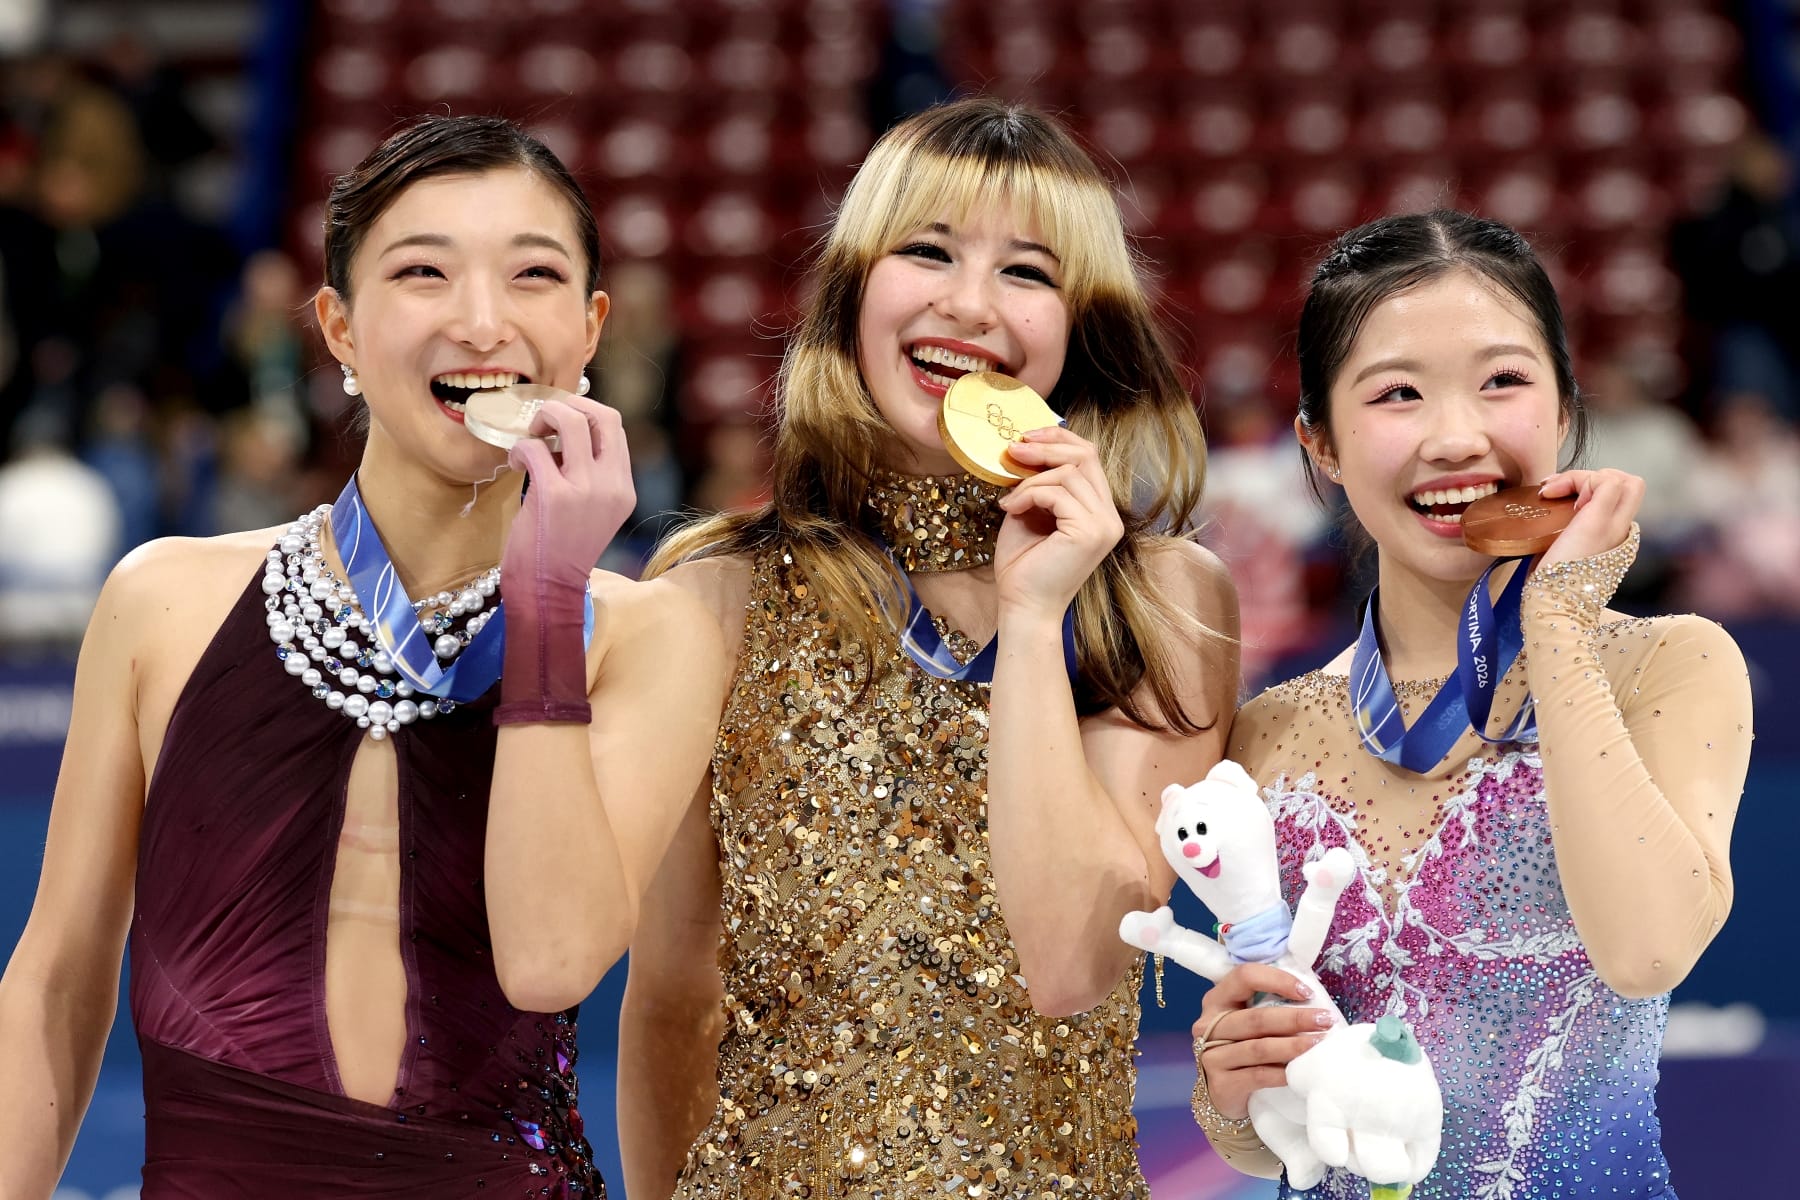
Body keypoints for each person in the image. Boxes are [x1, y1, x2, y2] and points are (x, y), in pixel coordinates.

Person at [0, 114, 725, 1198]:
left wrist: (545, 596)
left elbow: (551, 959)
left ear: (588, 331)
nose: (482, 321)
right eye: (424, 272)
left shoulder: (647, 634)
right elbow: (56, 979)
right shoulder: (163, 600)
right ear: (338, 327)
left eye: (532, 275)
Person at [618, 97, 1241, 1198]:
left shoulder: (1164, 604)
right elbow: (672, 996)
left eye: (1029, 272)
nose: (969, 305)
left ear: (1082, 323)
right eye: (928, 251)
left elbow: (1074, 962)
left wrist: (1039, 614)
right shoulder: (712, 596)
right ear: (855, 288)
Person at [1190, 211, 1752, 1198]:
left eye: (1502, 381)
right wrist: (1230, 1092)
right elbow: (1269, 1135)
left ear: (1567, 411)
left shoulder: (1669, 665)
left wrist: (1560, 628)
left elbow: (1648, 949)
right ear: (1318, 444)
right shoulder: (1268, 729)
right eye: (1398, 394)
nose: (1456, 437)